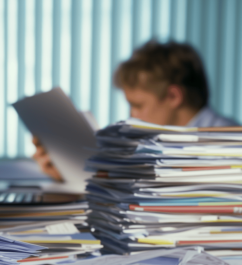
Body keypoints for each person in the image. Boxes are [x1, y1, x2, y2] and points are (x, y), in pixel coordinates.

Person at [33, 40, 239, 181]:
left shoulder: (229, 145)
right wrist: (71, 172)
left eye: (138, 105)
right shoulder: (159, 141)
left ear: (173, 96)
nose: (133, 116)